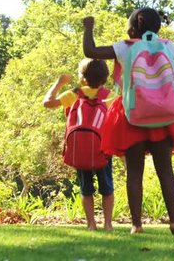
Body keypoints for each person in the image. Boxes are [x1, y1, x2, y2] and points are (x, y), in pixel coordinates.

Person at [82, 9, 174, 235]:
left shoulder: (126, 47)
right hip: (163, 117)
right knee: (165, 170)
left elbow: (90, 51)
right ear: (157, 27)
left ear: (134, 27)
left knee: (134, 172)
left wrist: (88, 27)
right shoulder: (167, 46)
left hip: (133, 115)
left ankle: (137, 225)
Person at [43, 58, 115, 231]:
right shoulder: (110, 96)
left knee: (86, 188)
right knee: (107, 188)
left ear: (83, 78)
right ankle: (108, 224)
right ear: (105, 78)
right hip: (103, 148)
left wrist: (59, 82)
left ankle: (91, 225)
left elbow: (47, 103)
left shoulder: (74, 94)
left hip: (80, 148)